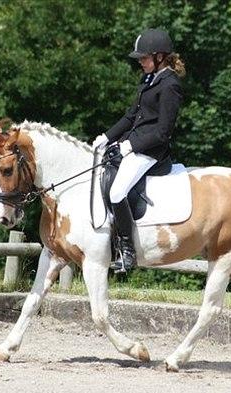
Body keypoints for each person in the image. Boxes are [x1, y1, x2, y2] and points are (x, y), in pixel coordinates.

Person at [91, 28, 186, 273]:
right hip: (134, 143)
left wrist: (129, 146)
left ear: (159, 57)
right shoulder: (149, 79)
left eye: (144, 58)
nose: (140, 62)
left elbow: (163, 132)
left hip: (152, 152)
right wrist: (107, 137)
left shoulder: (170, 85)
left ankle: (127, 251)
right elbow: (131, 115)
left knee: (117, 191)